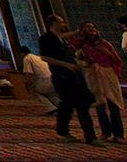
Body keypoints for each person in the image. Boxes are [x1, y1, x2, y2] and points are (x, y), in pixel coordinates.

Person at [38, 13, 101, 145]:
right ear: (53, 24)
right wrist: (65, 65)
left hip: (75, 76)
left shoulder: (61, 39)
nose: (63, 24)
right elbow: (44, 57)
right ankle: (62, 131)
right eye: (60, 22)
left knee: (83, 105)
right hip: (62, 77)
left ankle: (91, 137)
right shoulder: (45, 38)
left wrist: (78, 32)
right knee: (67, 105)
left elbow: (63, 36)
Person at [71, 20, 125, 142]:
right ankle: (106, 132)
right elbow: (76, 55)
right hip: (93, 75)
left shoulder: (105, 44)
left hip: (107, 74)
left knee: (113, 104)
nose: (91, 29)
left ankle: (118, 134)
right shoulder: (81, 46)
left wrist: (107, 53)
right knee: (100, 105)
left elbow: (117, 61)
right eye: (87, 27)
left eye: (92, 27)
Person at [20, 46, 60, 113]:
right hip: (53, 79)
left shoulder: (27, 58)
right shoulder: (38, 57)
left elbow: (29, 74)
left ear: (22, 53)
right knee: (49, 94)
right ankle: (60, 105)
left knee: (34, 90)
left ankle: (51, 108)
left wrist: (27, 84)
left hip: (43, 81)